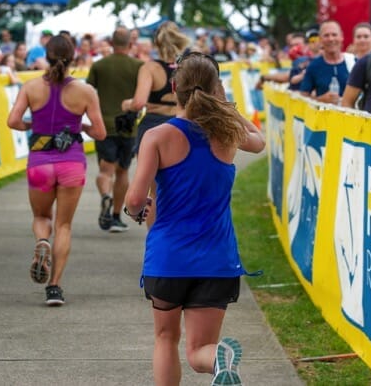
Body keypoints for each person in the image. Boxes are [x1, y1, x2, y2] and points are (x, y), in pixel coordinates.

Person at [123, 52, 265, 386]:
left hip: (169, 256)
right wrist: (229, 109)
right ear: (217, 89)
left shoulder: (157, 137)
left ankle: (219, 362)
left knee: (165, 339)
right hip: (217, 258)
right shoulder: (228, 133)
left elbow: (133, 198)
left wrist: (135, 210)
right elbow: (258, 142)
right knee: (200, 349)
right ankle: (219, 360)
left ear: (174, 87)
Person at [7, 35, 106, 306]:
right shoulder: (85, 91)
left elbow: (12, 121)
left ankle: (42, 241)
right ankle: (54, 287)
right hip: (71, 163)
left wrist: (32, 126)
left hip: (40, 163)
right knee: (63, 225)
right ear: (73, 57)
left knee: (42, 217)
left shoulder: (31, 87)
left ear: (46, 56)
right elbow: (100, 132)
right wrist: (81, 127)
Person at [120, 21, 190, 225]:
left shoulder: (150, 67)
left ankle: (156, 243)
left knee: (154, 191)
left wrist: (127, 104)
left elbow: (140, 102)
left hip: (153, 126)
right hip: (181, 125)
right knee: (181, 187)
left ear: (156, 44)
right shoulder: (189, 66)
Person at [86, 27, 143, 232]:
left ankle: (105, 196)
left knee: (105, 169)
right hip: (128, 126)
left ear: (110, 43)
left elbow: (89, 91)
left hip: (104, 124)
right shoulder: (139, 66)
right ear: (130, 44)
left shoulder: (99, 66)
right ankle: (117, 216)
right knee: (123, 171)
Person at [299, 20, 355, 104]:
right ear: (320, 40)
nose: (331, 39)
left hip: (353, 116)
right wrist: (320, 100)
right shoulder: (313, 66)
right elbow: (302, 99)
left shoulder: (354, 62)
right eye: (326, 35)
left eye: (334, 35)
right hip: (324, 115)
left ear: (341, 37)